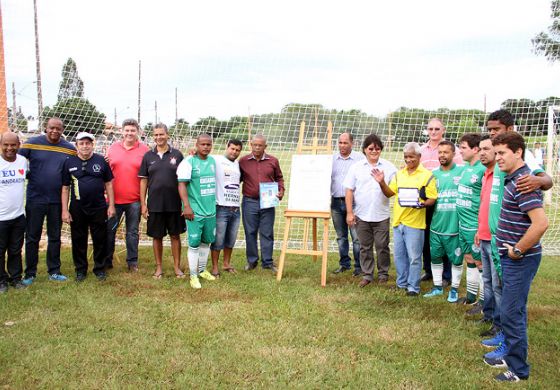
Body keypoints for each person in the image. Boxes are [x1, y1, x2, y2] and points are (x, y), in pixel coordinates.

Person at [480, 109, 552, 364]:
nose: (491, 134)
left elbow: (546, 179)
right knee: (500, 289)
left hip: (517, 245)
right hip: (498, 235)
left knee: (509, 300)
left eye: (496, 129)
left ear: (510, 129)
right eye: (489, 130)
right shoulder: (498, 158)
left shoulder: (522, 164)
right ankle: (503, 333)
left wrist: (541, 180)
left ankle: (509, 347)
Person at [373, 142, 437, 296]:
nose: (408, 160)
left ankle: (413, 287)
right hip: (398, 222)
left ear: (419, 157)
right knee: (400, 257)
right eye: (406, 157)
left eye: (412, 157)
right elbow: (390, 193)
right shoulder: (399, 174)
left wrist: (421, 204)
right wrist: (381, 182)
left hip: (415, 224)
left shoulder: (427, 176)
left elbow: (432, 199)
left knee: (414, 257)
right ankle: (401, 283)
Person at [18, 118, 76, 284]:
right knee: (32, 237)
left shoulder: (69, 149)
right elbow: (16, 161)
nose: (55, 131)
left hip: (57, 201)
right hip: (35, 199)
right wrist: (29, 175)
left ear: (62, 130)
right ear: (46, 128)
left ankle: (54, 270)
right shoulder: (31, 144)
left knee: (55, 237)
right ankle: (30, 273)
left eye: (58, 128)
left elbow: (78, 163)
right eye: (52, 128)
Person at [61, 132, 115, 281]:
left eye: (88, 143)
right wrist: (65, 210)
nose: (85, 146)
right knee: (79, 239)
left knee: (100, 238)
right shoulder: (69, 162)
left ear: (92, 144)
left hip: (98, 207)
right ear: (77, 145)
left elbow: (109, 184)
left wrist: (111, 205)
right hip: (78, 208)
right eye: (82, 143)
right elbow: (65, 188)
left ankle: (99, 269)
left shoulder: (101, 161)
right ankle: (80, 270)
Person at [343, 134, 396, 287]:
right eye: (370, 148)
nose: (374, 151)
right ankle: (367, 274)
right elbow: (349, 190)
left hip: (381, 215)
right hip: (362, 215)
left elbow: (393, 191)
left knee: (382, 246)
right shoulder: (356, 167)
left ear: (381, 150)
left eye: (377, 148)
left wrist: (382, 182)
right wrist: (349, 212)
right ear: (365, 150)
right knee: (364, 247)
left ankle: (383, 274)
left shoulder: (388, 166)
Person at [139, 123, 185, 279]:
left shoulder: (177, 155)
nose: (159, 137)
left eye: (161, 134)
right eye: (156, 135)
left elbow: (183, 181)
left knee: (175, 236)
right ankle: (159, 268)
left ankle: (177, 267)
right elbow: (143, 181)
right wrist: (143, 204)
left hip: (174, 204)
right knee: (157, 236)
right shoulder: (148, 156)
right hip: (155, 204)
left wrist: (185, 203)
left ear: (167, 135)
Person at [419, 118, 461, 284]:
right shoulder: (421, 150)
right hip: (427, 200)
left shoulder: (452, 150)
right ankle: (429, 270)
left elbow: (458, 174)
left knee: (447, 237)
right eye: (430, 129)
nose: (433, 132)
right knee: (427, 237)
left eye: (437, 129)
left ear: (443, 130)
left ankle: (446, 275)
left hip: (445, 200)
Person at [105, 118, 149, 272]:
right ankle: (107, 260)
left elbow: (147, 176)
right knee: (109, 231)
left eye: (133, 130)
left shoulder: (145, 150)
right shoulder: (112, 148)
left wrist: (144, 201)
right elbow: (106, 172)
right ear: (122, 131)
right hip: (113, 200)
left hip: (134, 200)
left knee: (132, 232)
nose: (129, 133)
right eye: (127, 130)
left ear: (138, 132)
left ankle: (132, 262)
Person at [423, 141, 464, 299]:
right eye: (440, 152)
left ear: (454, 154)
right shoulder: (432, 174)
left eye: (446, 152)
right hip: (436, 225)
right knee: (435, 257)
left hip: (454, 226)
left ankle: (454, 289)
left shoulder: (461, 172)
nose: (442, 155)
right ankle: (437, 286)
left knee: (456, 259)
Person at [177, 134, 218, 289]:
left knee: (206, 241)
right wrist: (186, 206)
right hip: (195, 211)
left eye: (208, 144)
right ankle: (193, 275)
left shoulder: (213, 161)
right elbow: (181, 185)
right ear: (197, 144)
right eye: (203, 144)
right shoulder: (189, 162)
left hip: (210, 211)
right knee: (194, 243)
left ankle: (202, 270)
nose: (206, 147)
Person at [239, 134, 284, 272]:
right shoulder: (243, 161)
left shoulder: (273, 161)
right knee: (250, 232)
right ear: (250, 145)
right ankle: (252, 261)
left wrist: (281, 190)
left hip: (268, 202)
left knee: (267, 232)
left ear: (265, 146)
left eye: (260, 145)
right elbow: (236, 177)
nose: (257, 147)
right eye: (255, 145)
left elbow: (279, 178)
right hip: (249, 201)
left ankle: (268, 262)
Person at [455, 133, 486, 309]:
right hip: (463, 224)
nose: (460, 150)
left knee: (481, 263)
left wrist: (480, 227)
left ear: (475, 149)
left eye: (463, 147)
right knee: (469, 259)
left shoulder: (482, 169)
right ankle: (471, 295)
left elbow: (484, 200)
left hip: (475, 226)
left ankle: (483, 301)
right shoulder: (466, 168)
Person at [475, 135, 502, 335]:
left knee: (497, 284)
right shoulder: (486, 174)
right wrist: (478, 229)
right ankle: (489, 314)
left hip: (495, 238)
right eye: (480, 149)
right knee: (487, 281)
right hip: (483, 235)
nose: (482, 152)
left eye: (487, 148)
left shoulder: (501, 175)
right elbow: (483, 205)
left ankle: (500, 325)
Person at [331, 132, 364, 276]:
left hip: (355, 203)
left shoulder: (360, 159)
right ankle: (344, 263)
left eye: (345, 143)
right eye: (340, 142)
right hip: (336, 202)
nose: (342, 145)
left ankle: (359, 266)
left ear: (352, 143)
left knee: (357, 237)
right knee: (341, 236)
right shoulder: (331, 159)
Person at [210, 139, 243, 277]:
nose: (234, 152)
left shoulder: (237, 164)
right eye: (232, 149)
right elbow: (202, 158)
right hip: (221, 207)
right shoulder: (216, 160)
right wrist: (194, 153)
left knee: (231, 239)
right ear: (227, 147)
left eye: (237, 150)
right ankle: (215, 267)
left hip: (235, 208)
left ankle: (226, 264)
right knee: (218, 239)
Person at [0, 132, 28, 293]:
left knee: (15, 249)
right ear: (1, 145)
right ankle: (1, 281)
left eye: (13, 145)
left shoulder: (22, 161)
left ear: (18, 145)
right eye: (6, 145)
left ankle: (16, 278)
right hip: (1, 218)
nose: (9, 148)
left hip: (18, 216)